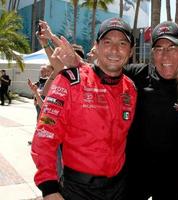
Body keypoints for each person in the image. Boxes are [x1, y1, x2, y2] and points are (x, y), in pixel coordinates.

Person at [31, 17, 137, 200]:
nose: (114, 49)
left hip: (119, 189)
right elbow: (44, 135)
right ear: (96, 46)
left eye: (122, 43)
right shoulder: (70, 81)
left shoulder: (131, 88)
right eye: (107, 42)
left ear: (130, 51)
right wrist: (49, 188)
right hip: (77, 190)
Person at [124, 21, 178, 200]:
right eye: (159, 48)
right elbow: (99, 75)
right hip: (134, 176)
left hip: (172, 180)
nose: (165, 55)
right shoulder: (135, 75)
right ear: (153, 53)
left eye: (172, 47)